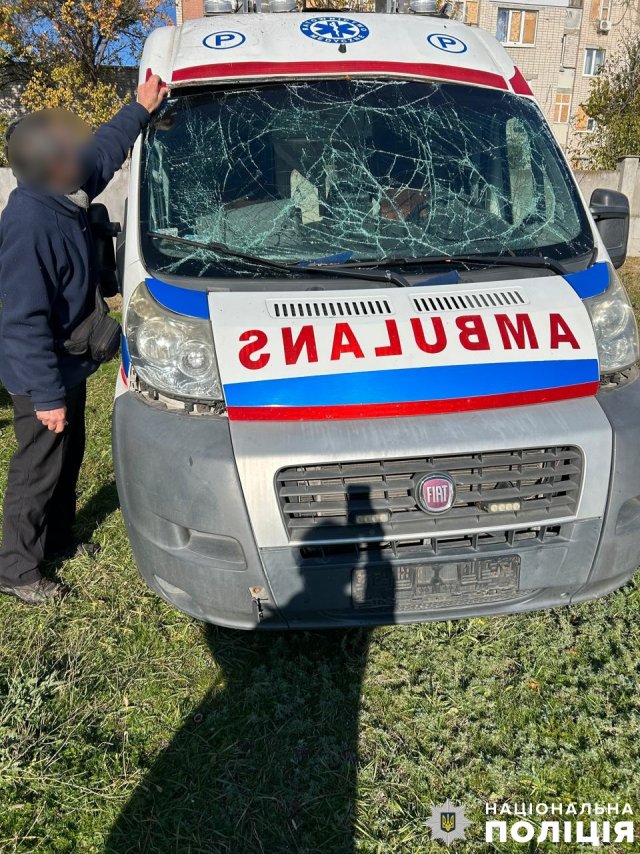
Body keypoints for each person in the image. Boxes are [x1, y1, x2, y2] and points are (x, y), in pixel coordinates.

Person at [0, 75, 168, 605]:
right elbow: (20, 321)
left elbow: (105, 150)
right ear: (50, 165)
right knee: (38, 467)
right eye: (68, 150)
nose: (80, 154)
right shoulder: (28, 223)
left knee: (68, 455)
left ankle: (58, 537)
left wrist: (139, 108)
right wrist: (46, 396)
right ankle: (17, 570)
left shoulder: (65, 189)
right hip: (39, 372)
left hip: (67, 361)